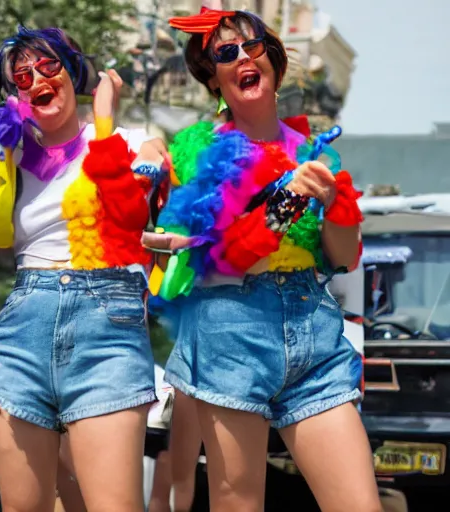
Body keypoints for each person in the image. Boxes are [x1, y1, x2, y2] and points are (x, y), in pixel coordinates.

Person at [149, 7, 380, 512]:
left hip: (311, 328)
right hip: (231, 330)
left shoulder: (312, 151)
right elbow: (223, 257)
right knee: (239, 503)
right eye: (224, 54)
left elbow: (341, 258)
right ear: (214, 78)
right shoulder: (198, 149)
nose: (241, 58)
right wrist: (288, 200)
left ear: (272, 59)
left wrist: (340, 203)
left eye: (250, 46)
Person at [0, 26, 169, 511]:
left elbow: (128, 214)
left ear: (74, 69)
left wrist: (102, 122)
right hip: (22, 331)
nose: (37, 78)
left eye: (49, 65)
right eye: (22, 76)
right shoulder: (8, 161)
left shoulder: (129, 140)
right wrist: (7, 150)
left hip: (106, 329)